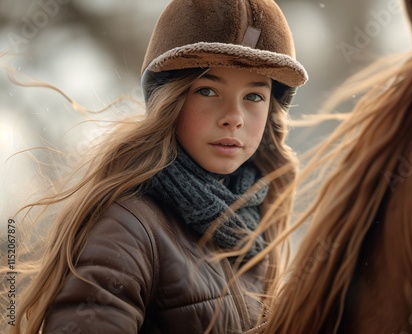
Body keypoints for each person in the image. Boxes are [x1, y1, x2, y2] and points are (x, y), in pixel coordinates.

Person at [9, 0, 307, 333]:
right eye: (207, 90)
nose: (234, 119)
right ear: (169, 101)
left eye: (254, 96)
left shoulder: (259, 232)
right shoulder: (127, 228)